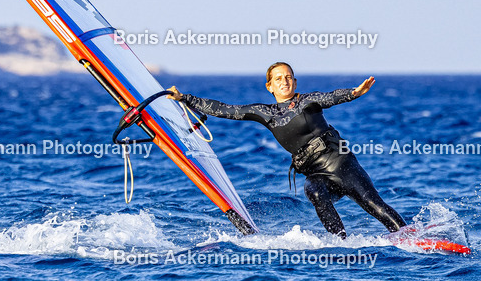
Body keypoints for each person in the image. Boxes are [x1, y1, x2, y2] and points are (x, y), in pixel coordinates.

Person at [169, 62, 405, 238]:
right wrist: (185, 98)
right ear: (269, 86)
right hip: (316, 173)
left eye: (289, 77)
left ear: (294, 81)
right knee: (314, 193)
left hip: (340, 163)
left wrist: (353, 93)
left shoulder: (307, 101)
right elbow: (227, 109)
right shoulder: (265, 113)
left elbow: (329, 97)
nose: (285, 81)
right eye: (279, 78)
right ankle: (341, 242)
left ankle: (407, 237)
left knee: (374, 205)